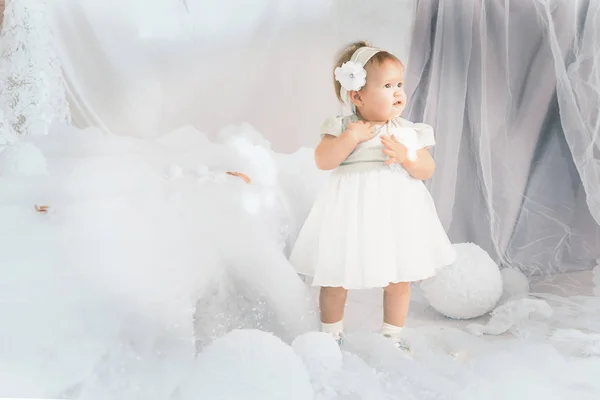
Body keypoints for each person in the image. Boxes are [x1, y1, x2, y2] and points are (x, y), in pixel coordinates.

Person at [289, 41, 456, 352]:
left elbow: (426, 169)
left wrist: (407, 157)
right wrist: (350, 138)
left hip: (396, 214)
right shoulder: (342, 127)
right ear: (357, 95)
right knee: (336, 276)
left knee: (398, 277)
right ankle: (331, 334)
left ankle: (392, 336)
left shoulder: (407, 131)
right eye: (388, 85)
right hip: (351, 211)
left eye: (400, 85)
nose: (398, 93)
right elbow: (323, 161)